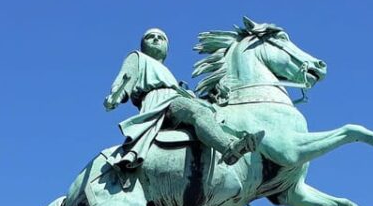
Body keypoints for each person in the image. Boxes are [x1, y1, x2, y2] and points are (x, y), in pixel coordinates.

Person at [104, 28, 263, 171]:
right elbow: (125, 78)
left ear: (166, 49)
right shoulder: (137, 57)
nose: (156, 39)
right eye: (150, 37)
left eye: (161, 38)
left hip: (175, 97)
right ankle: (229, 148)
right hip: (161, 101)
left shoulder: (167, 72)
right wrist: (116, 96)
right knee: (198, 112)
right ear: (143, 45)